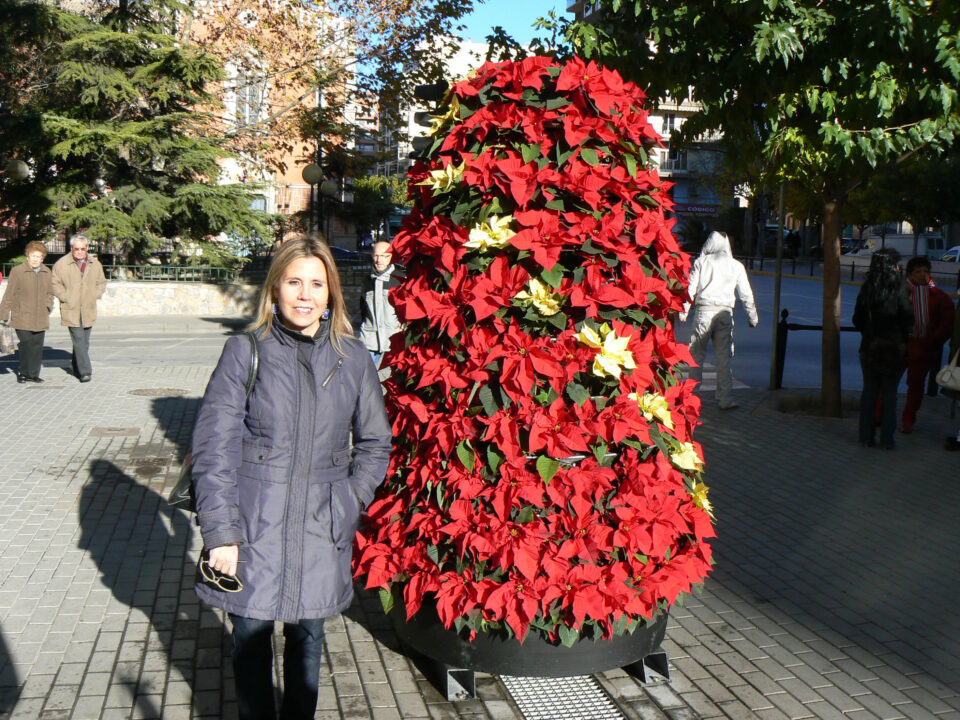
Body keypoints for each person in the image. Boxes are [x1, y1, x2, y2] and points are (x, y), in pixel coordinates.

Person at [191, 235, 391, 720]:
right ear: (275, 288)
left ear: (332, 293)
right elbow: (213, 450)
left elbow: (374, 444)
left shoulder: (353, 358)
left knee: (308, 642)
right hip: (252, 527)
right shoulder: (246, 351)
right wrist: (221, 534)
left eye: (317, 284)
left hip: (321, 526)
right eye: (294, 282)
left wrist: (348, 501)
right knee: (250, 643)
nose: (305, 295)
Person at [682, 231, 759, 409]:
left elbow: (690, 288)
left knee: (696, 356)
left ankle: (690, 399)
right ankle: (725, 399)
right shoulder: (736, 266)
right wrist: (752, 317)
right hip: (725, 313)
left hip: (704, 312)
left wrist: (683, 311)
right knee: (723, 358)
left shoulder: (701, 262)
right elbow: (746, 294)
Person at [852, 249, 914, 449]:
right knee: (889, 394)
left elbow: (857, 319)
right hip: (893, 348)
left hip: (870, 345)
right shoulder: (900, 289)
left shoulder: (867, 289)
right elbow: (908, 320)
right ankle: (887, 439)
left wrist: (870, 331)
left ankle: (865, 437)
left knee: (869, 392)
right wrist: (905, 340)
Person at [898, 256, 953, 432]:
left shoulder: (938, 296)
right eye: (918, 272)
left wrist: (932, 340)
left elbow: (947, 323)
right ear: (910, 274)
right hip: (900, 344)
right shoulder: (901, 293)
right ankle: (879, 416)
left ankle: (908, 419)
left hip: (922, 346)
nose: (923, 275)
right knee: (889, 381)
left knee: (915, 386)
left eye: (926, 271)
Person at [52, 234, 107, 382]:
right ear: (72, 248)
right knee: (78, 339)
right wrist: (65, 297)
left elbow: (101, 282)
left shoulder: (95, 264)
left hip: (88, 308)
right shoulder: (61, 264)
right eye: (77, 249)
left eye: (83, 249)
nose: (80, 252)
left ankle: (77, 368)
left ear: (87, 248)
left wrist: (95, 294)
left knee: (84, 341)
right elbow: (54, 283)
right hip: (71, 308)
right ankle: (85, 372)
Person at [0, 241, 54, 383]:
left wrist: (48, 306)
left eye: (39, 256)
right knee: (26, 344)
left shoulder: (46, 272)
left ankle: (33, 374)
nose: (36, 259)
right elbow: (9, 294)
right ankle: (24, 372)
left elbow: (50, 292)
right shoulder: (17, 271)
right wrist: (3, 314)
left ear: (42, 258)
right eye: (33, 256)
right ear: (27, 256)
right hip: (21, 316)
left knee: (37, 346)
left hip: (40, 316)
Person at [359, 240, 403, 367]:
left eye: (385, 256)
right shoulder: (367, 280)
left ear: (392, 257)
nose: (379, 260)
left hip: (392, 342)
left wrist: (403, 327)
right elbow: (363, 310)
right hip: (369, 341)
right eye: (376, 255)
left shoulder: (399, 280)